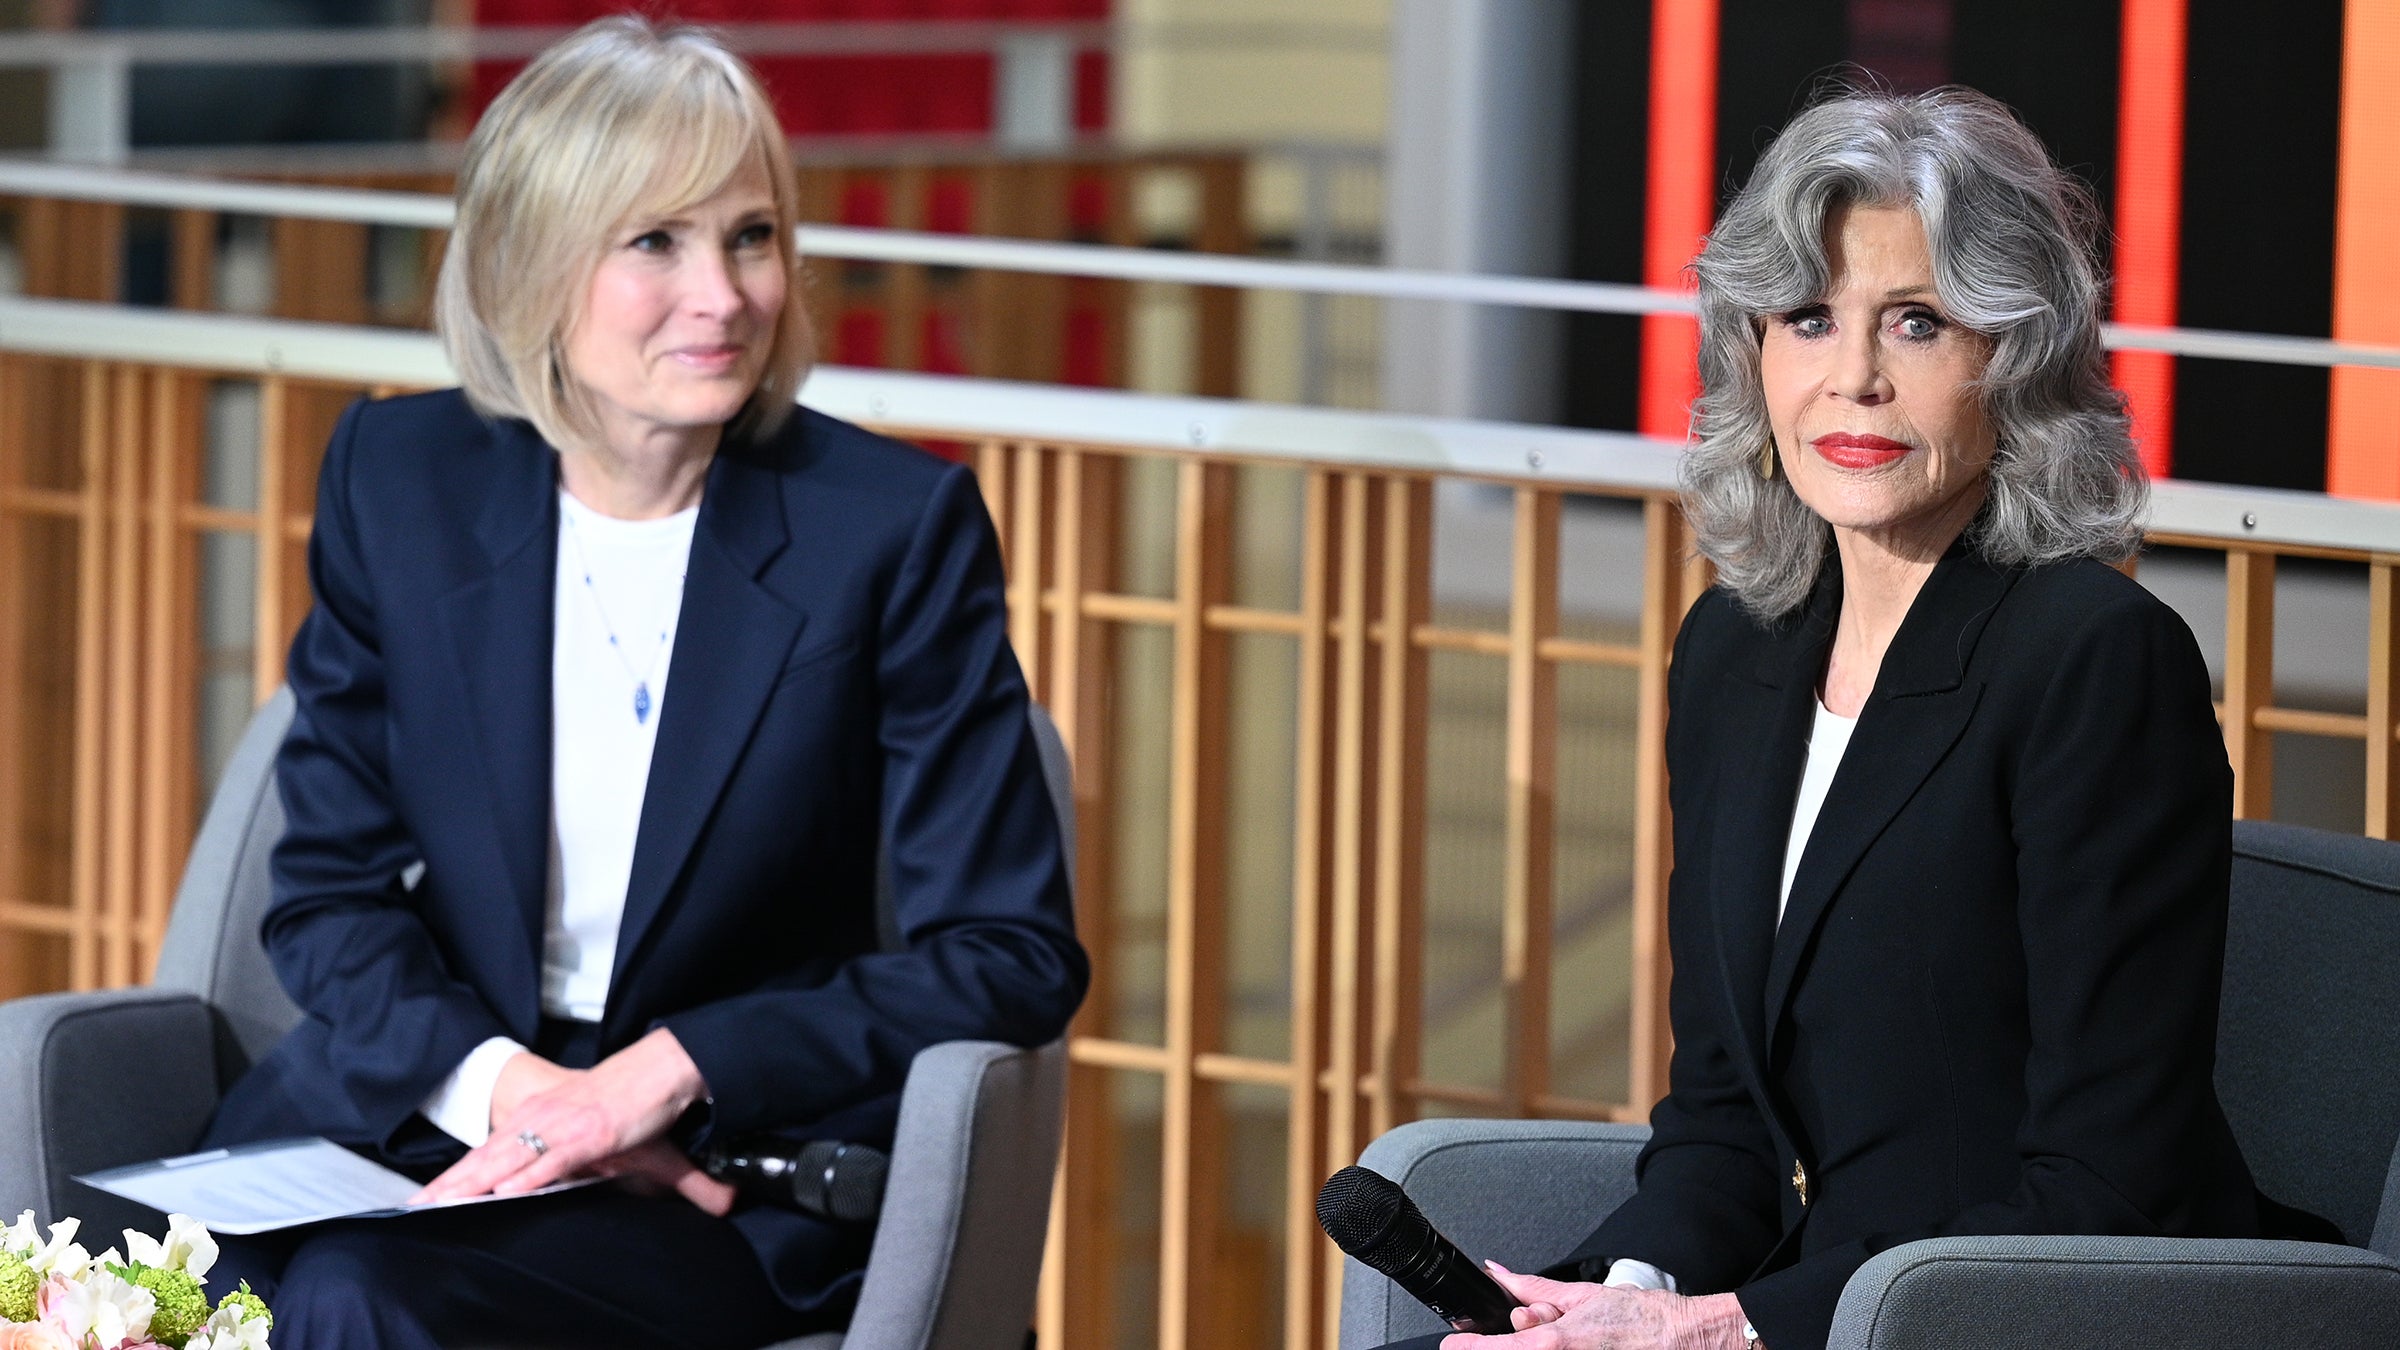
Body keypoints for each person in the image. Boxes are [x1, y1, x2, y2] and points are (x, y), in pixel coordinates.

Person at [195, 17, 1088, 1349]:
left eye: (752, 236)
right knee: (111, 1274)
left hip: (718, 1177)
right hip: (432, 1106)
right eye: (654, 242)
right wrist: (522, 1094)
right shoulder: (401, 478)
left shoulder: (891, 528)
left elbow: (1010, 954)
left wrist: (660, 1079)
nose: (723, 296)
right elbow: (325, 892)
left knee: (356, 1299)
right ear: (533, 268)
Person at [1408, 88, 2329, 1350]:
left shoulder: (2097, 662)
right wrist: (1634, 1290)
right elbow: (1723, 1121)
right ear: (1754, 357)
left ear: (2014, 357)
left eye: (1916, 323)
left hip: (2013, 1318)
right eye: (1806, 320)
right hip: (1805, 1307)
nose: (1852, 379)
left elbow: (2106, 1185)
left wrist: (1730, 1330)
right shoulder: (1734, 647)